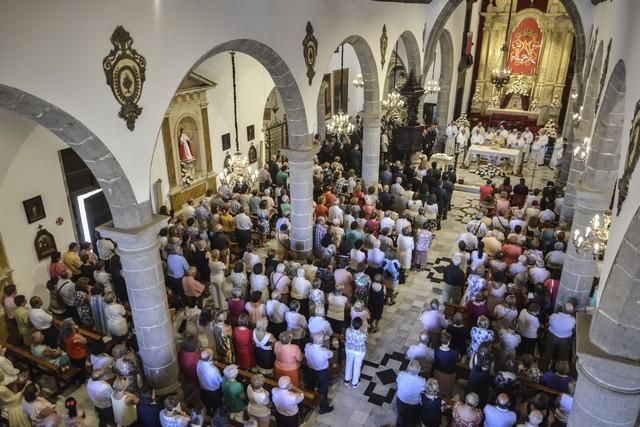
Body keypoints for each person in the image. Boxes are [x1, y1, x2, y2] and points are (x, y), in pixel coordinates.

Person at [540, 303, 575, 371]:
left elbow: (549, 323)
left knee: (548, 351)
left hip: (552, 336)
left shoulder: (554, 316)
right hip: (564, 339)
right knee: (561, 355)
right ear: (571, 312)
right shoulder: (572, 320)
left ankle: (543, 367)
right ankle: (557, 369)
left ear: (562, 309)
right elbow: (573, 328)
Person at [304, 333, 334, 413]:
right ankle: (323, 407)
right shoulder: (324, 351)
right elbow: (331, 354)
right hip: (322, 371)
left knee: (310, 385)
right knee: (323, 388)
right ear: (322, 342)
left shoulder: (308, 346)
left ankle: (308, 403)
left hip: (311, 369)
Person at [396, 359, 426, 427]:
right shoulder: (422, 381)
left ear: (408, 368)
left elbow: (398, 383)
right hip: (414, 404)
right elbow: (423, 392)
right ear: (419, 370)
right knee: (411, 421)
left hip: (401, 400)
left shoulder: (401, 374)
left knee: (400, 418)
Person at [196, 349, 223, 417]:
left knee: (207, 404)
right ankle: (215, 417)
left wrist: (212, 363)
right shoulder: (214, 370)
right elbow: (220, 381)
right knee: (216, 406)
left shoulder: (199, 362)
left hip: (203, 389)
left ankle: (208, 414)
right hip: (213, 392)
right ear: (210, 357)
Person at [432, 331, 459, 399]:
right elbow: (458, 357)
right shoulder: (454, 353)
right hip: (449, 374)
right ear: (449, 342)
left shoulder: (436, 350)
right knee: (448, 390)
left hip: (437, 372)